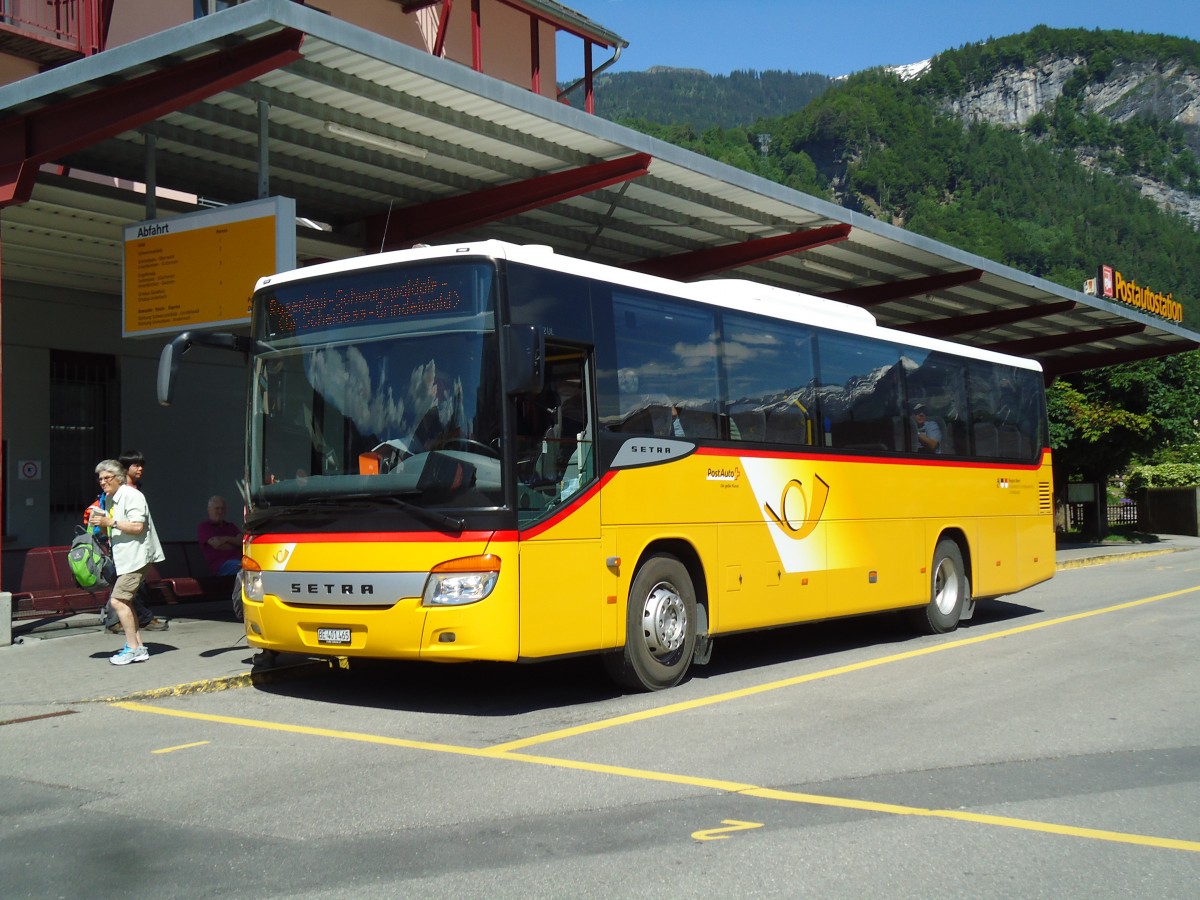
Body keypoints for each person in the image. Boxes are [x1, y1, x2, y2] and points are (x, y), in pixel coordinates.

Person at [89, 459, 165, 665]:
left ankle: (133, 649)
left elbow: (137, 526)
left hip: (138, 556)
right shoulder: (111, 498)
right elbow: (112, 529)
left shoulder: (132, 495)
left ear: (119, 478)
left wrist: (110, 521)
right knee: (126, 601)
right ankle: (137, 646)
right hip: (126, 557)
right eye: (100, 479)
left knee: (118, 600)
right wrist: (100, 523)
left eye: (107, 478)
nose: (103, 482)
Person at [197, 495, 242, 576]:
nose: (220, 511)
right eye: (217, 508)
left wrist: (225, 538)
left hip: (241, 561)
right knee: (243, 569)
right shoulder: (204, 527)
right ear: (209, 510)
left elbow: (241, 541)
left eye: (222, 508)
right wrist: (236, 544)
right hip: (222, 566)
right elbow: (217, 545)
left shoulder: (231, 526)